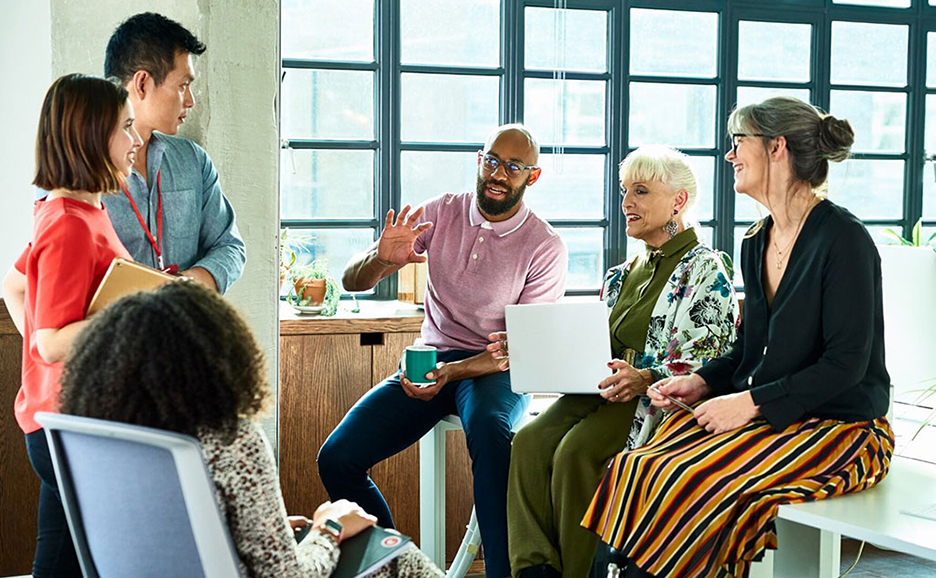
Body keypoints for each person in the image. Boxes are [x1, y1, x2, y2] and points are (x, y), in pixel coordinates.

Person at [581, 97, 893, 578]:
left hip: (841, 428)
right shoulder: (756, 240)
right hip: (775, 415)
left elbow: (846, 365)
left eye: (738, 141)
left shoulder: (845, 240)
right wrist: (703, 383)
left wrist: (750, 404)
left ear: (777, 149)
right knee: (634, 467)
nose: (730, 155)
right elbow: (748, 350)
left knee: (688, 480)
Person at [56, 281, 443, 578]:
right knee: (394, 554)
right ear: (218, 356)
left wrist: (265, 531)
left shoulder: (102, 439)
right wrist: (330, 527)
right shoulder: (231, 438)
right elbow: (287, 575)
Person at [317, 124, 568, 578]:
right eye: (492, 160)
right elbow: (352, 281)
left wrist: (453, 375)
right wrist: (382, 259)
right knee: (337, 458)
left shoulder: (544, 245)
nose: (498, 173)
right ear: (479, 159)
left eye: (513, 167)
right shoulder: (440, 213)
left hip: (496, 370)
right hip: (431, 357)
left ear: (532, 177)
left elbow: (521, 350)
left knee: (492, 437)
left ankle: (502, 572)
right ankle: (396, 566)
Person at [503, 146, 738, 578]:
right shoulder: (621, 272)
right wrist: (533, 348)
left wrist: (646, 375)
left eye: (642, 191)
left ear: (678, 201)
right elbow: (594, 343)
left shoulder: (706, 268)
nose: (627, 202)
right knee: (529, 441)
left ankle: (577, 572)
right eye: (625, 191)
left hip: (653, 400)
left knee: (577, 451)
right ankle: (535, 568)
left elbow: (713, 358)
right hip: (599, 391)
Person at [0, 73, 142, 578]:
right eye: (126, 127)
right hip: (71, 428)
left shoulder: (71, 210)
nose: (137, 140)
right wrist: (135, 311)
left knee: (58, 561)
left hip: (61, 422)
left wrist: (44, 370)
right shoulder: (69, 224)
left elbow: (15, 288)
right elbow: (51, 341)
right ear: (91, 135)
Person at [102, 12, 245, 291]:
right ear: (142, 83)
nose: (190, 101)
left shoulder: (193, 160)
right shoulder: (78, 172)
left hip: (185, 329)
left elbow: (229, 246)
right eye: (183, 86)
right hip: (115, 332)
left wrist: (188, 285)